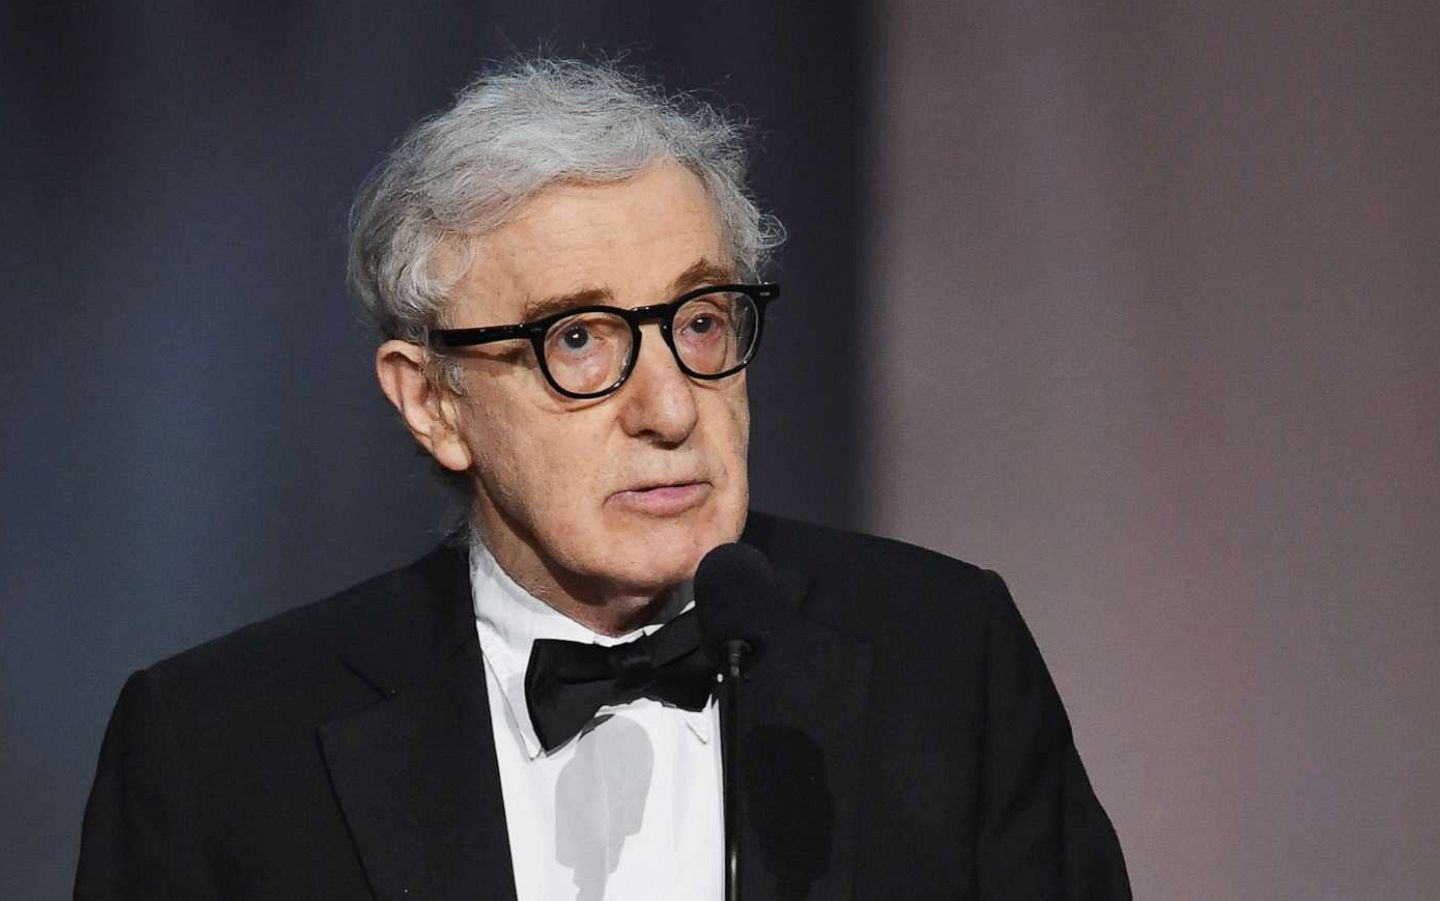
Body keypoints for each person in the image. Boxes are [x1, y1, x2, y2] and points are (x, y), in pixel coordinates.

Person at [75, 58, 1131, 900]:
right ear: (433, 404)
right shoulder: (220, 746)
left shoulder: (945, 659)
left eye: (701, 320)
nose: (671, 409)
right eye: (577, 340)